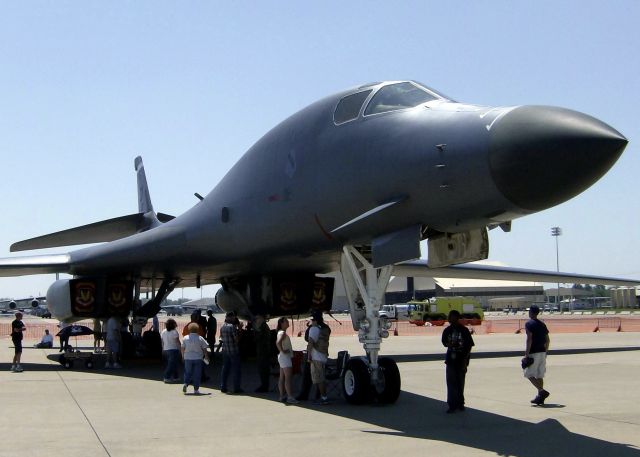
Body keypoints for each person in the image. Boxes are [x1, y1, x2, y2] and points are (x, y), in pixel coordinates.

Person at [441, 310, 475, 413]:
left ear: (456, 318)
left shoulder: (464, 330)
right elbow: (444, 342)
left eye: (451, 317)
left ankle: (460, 403)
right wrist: (449, 344)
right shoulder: (447, 330)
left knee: (460, 383)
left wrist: (465, 360)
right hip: (451, 360)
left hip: (461, 360)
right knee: (451, 383)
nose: (449, 319)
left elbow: (469, 346)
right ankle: (452, 404)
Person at [523, 305, 550, 405]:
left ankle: (542, 391)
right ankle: (540, 397)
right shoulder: (542, 324)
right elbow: (547, 340)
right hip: (542, 352)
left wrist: (526, 354)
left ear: (531, 312)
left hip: (533, 352)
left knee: (528, 374)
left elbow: (529, 339)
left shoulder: (529, 323)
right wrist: (545, 351)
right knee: (539, 375)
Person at [306, 310, 331, 405]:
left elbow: (310, 343)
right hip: (323, 355)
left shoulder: (313, 329)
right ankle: (322, 396)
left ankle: (324, 397)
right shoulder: (324, 329)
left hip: (316, 357)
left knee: (319, 379)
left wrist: (309, 356)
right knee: (321, 377)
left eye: (312, 319)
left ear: (315, 320)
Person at [181, 322, 209, 395]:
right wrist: (206, 356)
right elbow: (204, 348)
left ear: (189, 329)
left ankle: (186, 384)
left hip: (188, 357)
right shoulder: (200, 338)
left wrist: (182, 356)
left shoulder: (185, 338)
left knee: (187, 372)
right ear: (197, 329)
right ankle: (196, 389)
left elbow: (182, 348)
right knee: (197, 374)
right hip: (198, 358)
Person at [275, 317, 298, 404]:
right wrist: (283, 351)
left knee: (282, 377)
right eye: (286, 321)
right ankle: (290, 396)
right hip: (285, 357)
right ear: (282, 323)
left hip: (282, 357)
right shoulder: (283, 333)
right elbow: (278, 342)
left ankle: (282, 396)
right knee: (288, 378)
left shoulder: (280, 332)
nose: (288, 322)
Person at [219, 312, 242, 394]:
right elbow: (236, 340)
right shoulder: (232, 327)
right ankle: (236, 387)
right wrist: (240, 330)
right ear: (230, 317)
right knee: (236, 370)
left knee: (225, 369)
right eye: (233, 317)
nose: (234, 319)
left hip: (225, 350)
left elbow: (221, 338)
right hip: (233, 350)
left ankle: (223, 386)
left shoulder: (222, 327)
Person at [254, 313, 271, 393]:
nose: (256, 320)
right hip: (262, 351)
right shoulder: (263, 326)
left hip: (263, 352)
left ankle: (264, 386)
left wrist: (257, 329)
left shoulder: (263, 327)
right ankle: (264, 385)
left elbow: (259, 339)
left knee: (263, 370)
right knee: (262, 370)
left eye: (257, 319)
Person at [161, 318, 182, 383]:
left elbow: (162, 342)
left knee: (174, 364)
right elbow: (177, 342)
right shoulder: (174, 332)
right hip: (173, 349)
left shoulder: (163, 331)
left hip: (166, 349)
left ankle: (176, 377)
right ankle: (166, 377)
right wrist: (181, 350)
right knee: (171, 364)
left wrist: (162, 349)